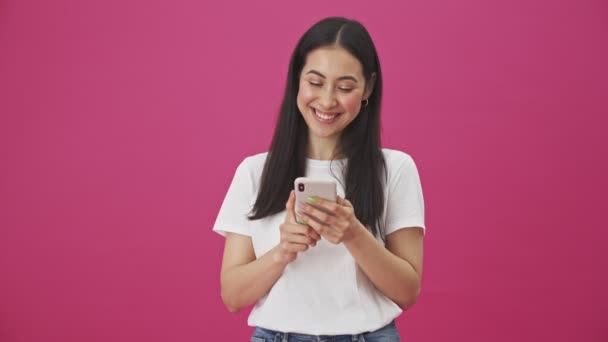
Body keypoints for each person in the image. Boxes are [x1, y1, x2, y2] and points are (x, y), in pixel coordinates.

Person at [213, 16, 425, 341]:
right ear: (297, 79)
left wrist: (354, 234)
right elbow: (233, 296)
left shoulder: (395, 169)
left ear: (368, 87)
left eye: (345, 87)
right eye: (315, 82)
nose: (327, 101)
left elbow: (407, 291)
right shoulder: (254, 172)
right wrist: (283, 251)